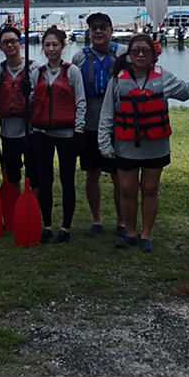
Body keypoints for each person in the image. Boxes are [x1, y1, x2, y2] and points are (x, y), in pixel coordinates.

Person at [97, 32, 189, 253]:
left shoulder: (164, 77)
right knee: (126, 189)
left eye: (145, 51)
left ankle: (146, 235)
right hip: (125, 146)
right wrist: (104, 143)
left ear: (153, 55)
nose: (140, 54)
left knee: (150, 189)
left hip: (155, 146)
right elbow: (107, 114)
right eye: (135, 51)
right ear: (129, 54)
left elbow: (187, 92)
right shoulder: (117, 79)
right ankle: (131, 233)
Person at [29, 26, 86, 243]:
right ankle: (48, 225)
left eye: (55, 44)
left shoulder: (72, 72)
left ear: (62, 46)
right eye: (47, 45)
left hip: (67, 134)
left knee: (66, 180)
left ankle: (66, 228)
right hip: (42, 133)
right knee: (45, 180)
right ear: (42, 47)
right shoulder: (37, 73)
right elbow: (33, 102)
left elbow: (81, 102)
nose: (51, 49)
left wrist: (79, 131)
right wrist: (28, 96)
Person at [72, 13, 122, 236]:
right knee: (92, 174)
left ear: (111, 30)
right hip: (90, 125)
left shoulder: (122, 55)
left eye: (103, 27)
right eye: (94, 28)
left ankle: (122, 221)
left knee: (119, 175)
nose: (99, 31)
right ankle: (97, 220)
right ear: (89, 33)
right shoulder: (79, 58)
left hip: (117, 126)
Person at [0, 24, 35, 203]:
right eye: (5, 43)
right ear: (1, 46)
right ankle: (14, 210)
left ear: (20, 44)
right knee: (13, 176)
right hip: (8, 133)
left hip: (30, 132)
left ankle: (33, 209)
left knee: (34, 175)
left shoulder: (33, 69)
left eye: (13, 41)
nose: (10, 45)